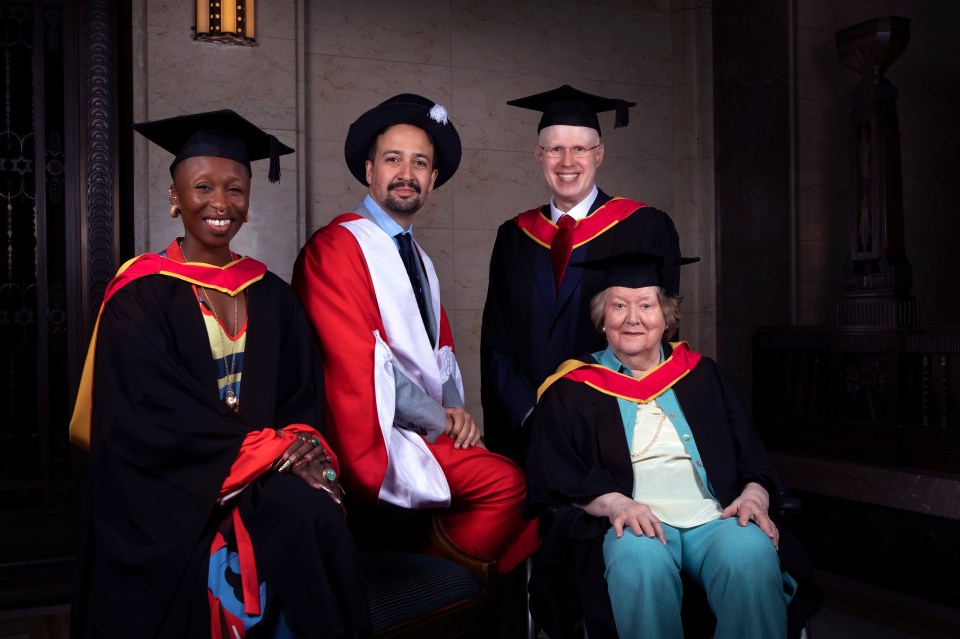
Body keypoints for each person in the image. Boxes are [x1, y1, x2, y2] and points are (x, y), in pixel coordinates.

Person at [69, 110, 370, 639]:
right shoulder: (139, 294)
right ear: (174, 196)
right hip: (167, 482)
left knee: (315, 514)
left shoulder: (272, 294)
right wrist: (267, 452)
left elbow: (301, 392)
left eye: (235, 189)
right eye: (203, 187)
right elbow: (146, 412)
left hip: (262, 471)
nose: (221, 203)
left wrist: (299, 443)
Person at [291, 94, 538, 577]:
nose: (407, 172)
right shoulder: (336, 248)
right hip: (370, 432)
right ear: (368, 171)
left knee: (532, 500)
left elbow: (438, 349)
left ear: (433, 180)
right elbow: (360, 362)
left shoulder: (418, 258)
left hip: (419, 425)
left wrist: (456, 413)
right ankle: (431, 577)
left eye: (420, 163)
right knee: (510, 486)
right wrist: (440, 420)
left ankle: (442, 587)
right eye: (393, 159)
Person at [525, 250, 823, 639]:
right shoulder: (572, 388)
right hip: (633, 520)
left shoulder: (704, 376)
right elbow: (558, 474)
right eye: (618, 306)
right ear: (602, 319)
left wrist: (754, 496)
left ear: (666, 318)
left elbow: (752, 458)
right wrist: (617, 503)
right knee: (638, 560)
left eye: (646, 305)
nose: (632, 318)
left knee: (750, 553)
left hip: (714, 517)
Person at [481, 84, 683, 465]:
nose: (566, 160)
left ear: (599, 154)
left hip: (612, 428)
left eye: (579, 148)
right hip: (529, 432)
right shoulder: (513, 236)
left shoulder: (644, 227)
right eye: (555, 148)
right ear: (538, 156)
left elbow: (655, 338)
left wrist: (592, 417)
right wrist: (530, 415)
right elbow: (497, 341)